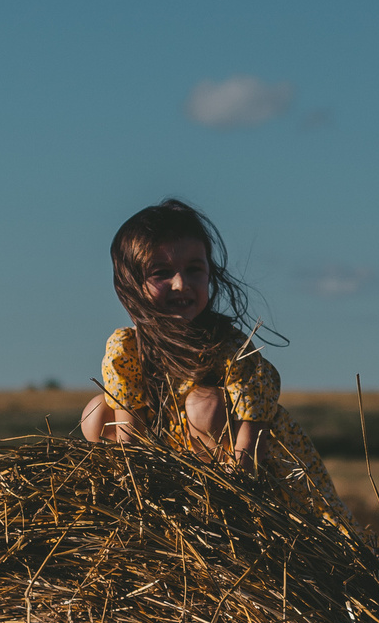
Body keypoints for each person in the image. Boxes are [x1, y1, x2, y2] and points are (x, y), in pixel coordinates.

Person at [78, 198, 351, 530]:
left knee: (202, 404)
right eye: (162, 273)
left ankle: (216, 514)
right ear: (131, 284)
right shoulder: (127, 349)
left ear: (210, 272)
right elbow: (129, 440)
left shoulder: (230, 347)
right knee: (96, 413)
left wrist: (234, 502)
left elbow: (251, 446)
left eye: (194, 269)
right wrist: (131, 504)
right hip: (173, 473)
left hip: (253, 479)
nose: (182, 284)